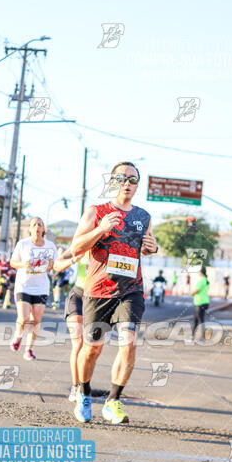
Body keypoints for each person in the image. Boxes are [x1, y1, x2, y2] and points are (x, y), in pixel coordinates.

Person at [70, 161, 158, 424]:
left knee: (129, 341)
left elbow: (144, 247)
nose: (128, 184)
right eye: (122, 178)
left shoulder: (144, 217)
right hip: (98, 290)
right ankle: (84, 394)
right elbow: (76, 247)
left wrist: (152, 247)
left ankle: (113, 401)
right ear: (113, 182)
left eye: (133, 180)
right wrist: (100, 229)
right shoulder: (96, 212)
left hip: (131, 290)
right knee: (92, 349)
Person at [10, 217, 57, 361]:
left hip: (41, 287)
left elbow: (55, 265)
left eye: (40, 225)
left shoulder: (50, 246)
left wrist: (50, 265)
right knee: (24, 318)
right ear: (30, 229)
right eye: (34, 225)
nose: (37, 227)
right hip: (24, 285)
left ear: (43, 229)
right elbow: (13, 263)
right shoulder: (22, 244)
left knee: (36, 320)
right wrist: (23, 265)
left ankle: (28, 349)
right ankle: (18, 336)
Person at [54, 249, 87, 401]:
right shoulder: (82, 246)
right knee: (78, 343)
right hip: (78, 297)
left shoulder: (110, 247)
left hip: (98, 300)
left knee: (91, 347)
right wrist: (72, 260)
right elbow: (57, 264)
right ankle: (75, 386)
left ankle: (84, 385)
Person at [191, 267, 210, 341]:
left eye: (199, 272)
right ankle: (192, 336)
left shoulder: (202, 280)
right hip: (203, 302)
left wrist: (191, 293)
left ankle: (203, 337)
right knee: (196, 319)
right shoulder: (205, 280)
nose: (198, 273)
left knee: (200, 320)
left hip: (200, 302)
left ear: (201, 272)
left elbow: (197, 290)